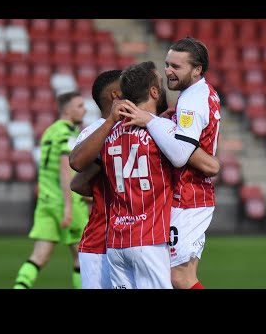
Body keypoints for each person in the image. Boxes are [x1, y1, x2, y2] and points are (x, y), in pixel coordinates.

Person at [69, 61, 220, 289]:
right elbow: (211, 166)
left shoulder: (107, 133)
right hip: (146, 237)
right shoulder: (160, 130)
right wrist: (171, 130)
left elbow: (78, 180)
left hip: (116, 240)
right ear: (152, 92)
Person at [117, 37, 221, 289]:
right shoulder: (197, 94)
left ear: (197, 70)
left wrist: (152, 121)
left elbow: (180, 154)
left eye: (176, 66)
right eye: (167, 64)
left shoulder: (192, 102)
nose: (168, 71)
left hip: (189, 197)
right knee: (170, 277)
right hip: (187, 195)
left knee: (180, 278)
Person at [13, 91, 88, 289]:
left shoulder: (49, 131)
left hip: (45, 201)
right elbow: (65, 169)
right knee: (83, 256)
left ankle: (19, 287)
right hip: (66, 202)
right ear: (67, 109)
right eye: (79, 106)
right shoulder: (67, 133)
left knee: (39, 257)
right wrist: (69, 207)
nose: (84, 109)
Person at [69, 69, 123, 289]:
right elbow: (77, 171)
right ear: (116, 95)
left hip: (136, 237)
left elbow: (78, 184)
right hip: (102, 238)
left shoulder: (142, 125)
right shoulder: (91, 134)